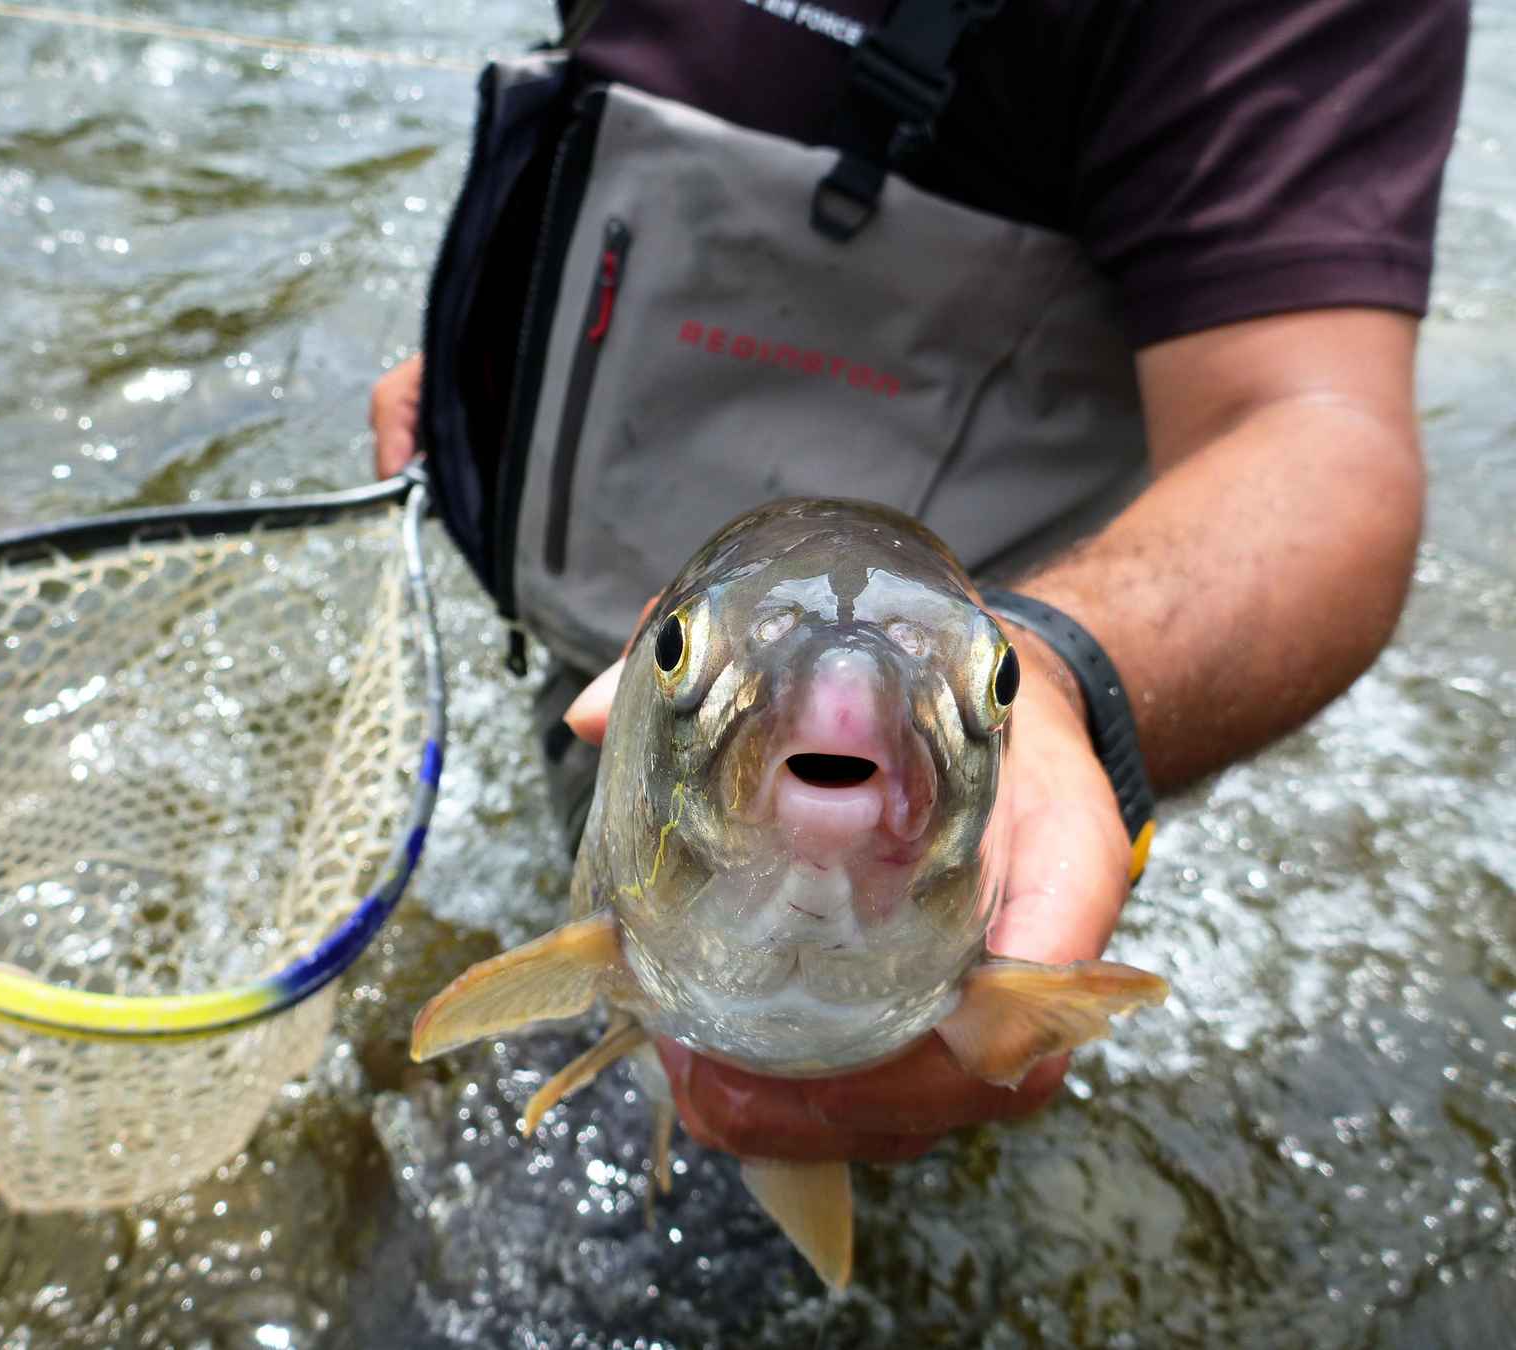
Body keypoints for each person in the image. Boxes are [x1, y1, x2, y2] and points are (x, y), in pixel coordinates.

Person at [370, 0, 1469, 1163]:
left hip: (975, 676)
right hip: (620, 625)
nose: (836, 701)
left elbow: (1317, 432)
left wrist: (1054, 667)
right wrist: (492, 328)